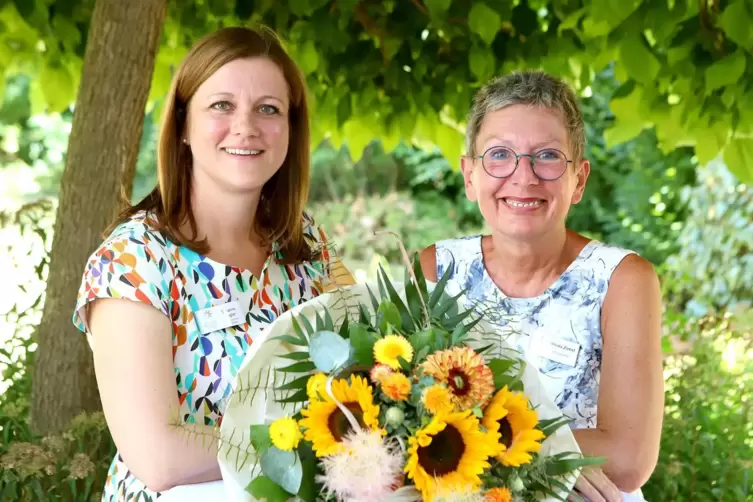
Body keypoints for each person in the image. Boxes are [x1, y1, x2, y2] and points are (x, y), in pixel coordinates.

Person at [72, 26, 353, 500]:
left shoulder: (308, 245)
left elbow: (369, 369)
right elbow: (158, 456)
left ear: (290, 129)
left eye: (269, 108)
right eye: (222, 105)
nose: (246, 126)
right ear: (182, 125)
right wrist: (311, 447)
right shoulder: (134, 261)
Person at [420, 70, 664, 502]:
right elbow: (405, 419)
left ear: (580, 180)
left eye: (547, 156)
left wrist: (463, 444)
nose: (524, 176)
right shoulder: (438, 270)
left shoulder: (622, 280)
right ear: (469, 176)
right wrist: (562, 450)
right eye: (499, 154)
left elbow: (626, 460)